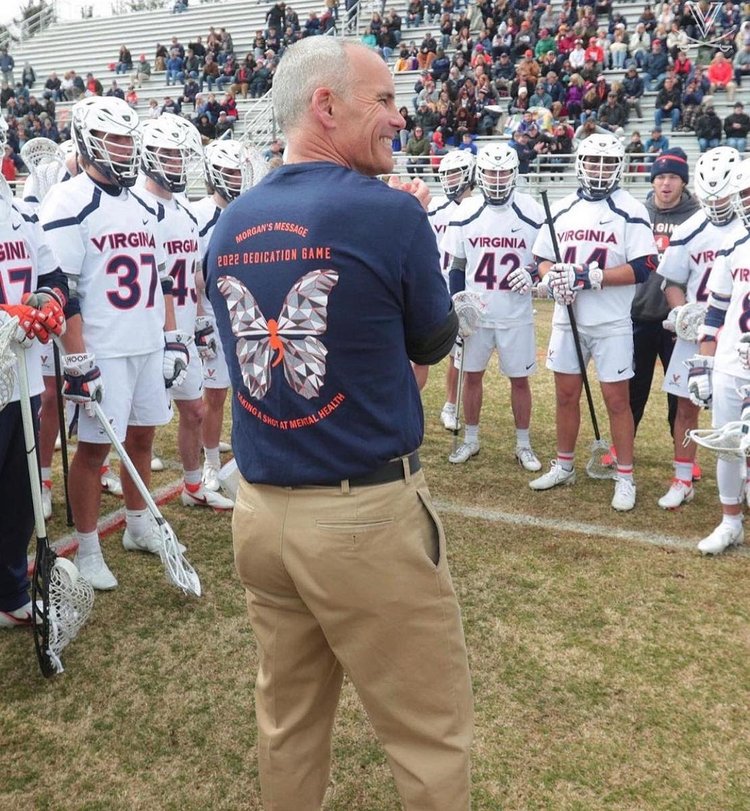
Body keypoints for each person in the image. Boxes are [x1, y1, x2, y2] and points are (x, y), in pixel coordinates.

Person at [204, 36, 473, 810]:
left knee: (287, 722)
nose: (399, 115)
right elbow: (429, 342)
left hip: (261, 512)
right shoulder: (388, 214)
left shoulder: (229, 225)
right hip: (363, 514)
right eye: (383, 100)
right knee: (428, 729)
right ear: (326, 105)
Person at [38, 96, 184, 590]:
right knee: (95, 451)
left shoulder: (143, 204)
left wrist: (172, 339)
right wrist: (77, 356)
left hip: (145, 343)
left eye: (127, 138)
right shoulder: (68, 200)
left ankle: (139, 526)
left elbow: (161, 279)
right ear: (89, 143)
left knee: (142, 437)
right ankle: (89, 545)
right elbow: (63, 288)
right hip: (103, 348)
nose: (123, 149)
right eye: (114, 139)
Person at [530, 133, 658, 511]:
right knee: (565, 395)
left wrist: (591, 277)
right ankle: (564, 464)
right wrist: (555, 276)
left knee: (617, 400)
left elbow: (645, 266)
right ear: (580, 163)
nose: (599, 170)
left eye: (607, 163)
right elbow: (541, 257)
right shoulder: (565, 207)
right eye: (593, 162)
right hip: (567, 319)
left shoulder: (631, 209)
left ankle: (625, 475)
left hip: (612, 320)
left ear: (619, 167)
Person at [138, 115, 234, 512]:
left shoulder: (184, 211)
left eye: (179, 155)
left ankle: (193, 486)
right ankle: (138, 510)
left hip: (184, 334)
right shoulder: (137, 208)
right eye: (167, 154)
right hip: (149, 333)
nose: (176, 162)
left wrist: (199, 321)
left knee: (195, 409)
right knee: (139, 428)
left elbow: (193, 275)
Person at [442, 143, 543, 471]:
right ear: (479, 174)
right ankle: (471, 439)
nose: (497, 179)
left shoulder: (531, 209)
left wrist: (530, 273)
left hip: (516, 313)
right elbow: (457, 266)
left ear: (514, 173)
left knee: (520, 379)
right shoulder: (466, 210)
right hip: (477, 313)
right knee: (471, 376)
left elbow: (544, 258)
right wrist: (459, 305)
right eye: (490, 172)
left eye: (503, 172)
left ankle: (523, 445)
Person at [0, 174, 69, 628]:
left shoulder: (21, 212)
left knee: (18, 496)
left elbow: (54, 277)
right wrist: (8, 315)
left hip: (20, 377)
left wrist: (47, 302)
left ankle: (9, 592)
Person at [656, 147, 742, 509]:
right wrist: (684, 313)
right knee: (686, 405)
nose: (717, 202)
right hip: (698, 334)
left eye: (722, 193)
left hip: (738, 334)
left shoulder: (746, 226)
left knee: (741, 412)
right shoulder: (690, 227)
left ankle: (742, 481)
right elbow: (671, 282)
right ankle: (683, 476)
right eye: (710, 195)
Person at [688, 159, 750, 553]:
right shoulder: (735, 245)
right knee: (728, 443)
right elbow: (716, 310)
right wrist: (703, 363)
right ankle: (730, 521)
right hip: (732, 360)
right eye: (745, 195)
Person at [191, 140, 258, 491]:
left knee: (247, 388)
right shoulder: (200, 214)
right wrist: (200, 316)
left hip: (245, 312)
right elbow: (193, 271)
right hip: (213, 316)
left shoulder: (247, 209)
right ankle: (211, 463)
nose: (236, 178)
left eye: (239, 171)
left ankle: (239, 448)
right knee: (214, 393)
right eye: (230, 172)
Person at [629, 148, 699, 453]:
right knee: (633, 388)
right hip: (639, 315)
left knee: (681, 394)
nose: (666, 183)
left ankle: (683, 457)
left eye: (673, 177)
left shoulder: (698, 217)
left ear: (683, 182)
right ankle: (621, 447)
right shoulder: (638, 214)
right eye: (660, 177)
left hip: (679, 322)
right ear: (653, 181)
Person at [424, 150, 476, 426]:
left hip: (467, 287)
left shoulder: (480, 207)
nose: (451, 180)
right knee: (420, 349)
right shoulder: (435, 209)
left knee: (461, 350)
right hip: (437, 285)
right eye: (446, 175)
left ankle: (450, 403)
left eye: (456, 174)